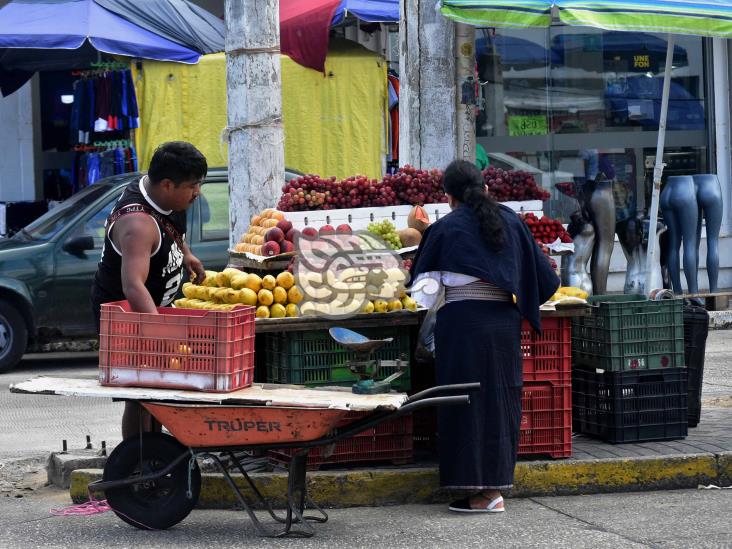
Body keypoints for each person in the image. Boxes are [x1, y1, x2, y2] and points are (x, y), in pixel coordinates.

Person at [410, 160, 559, 513]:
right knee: (500, 404)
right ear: (485, 188)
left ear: (448, 197)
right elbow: (545, 281)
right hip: (504, 326)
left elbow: (424, 294)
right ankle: (494, 490)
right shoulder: (511, 221)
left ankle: (481, 495)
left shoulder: (444, 229)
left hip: (462, 327)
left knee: (463, 405)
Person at [91, 141, 208, 440]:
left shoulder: (161, 197)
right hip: (128, 317)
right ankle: (137, 461)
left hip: (153, 308)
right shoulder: (137, 225)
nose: (198, 193)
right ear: (167, 184)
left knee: (156, 392)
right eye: (194, 186)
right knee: (141, 396)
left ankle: (153, 456)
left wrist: (187, 253)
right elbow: (133, 285)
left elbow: (169, 227)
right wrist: (160, 333)